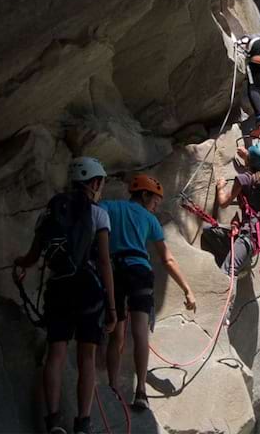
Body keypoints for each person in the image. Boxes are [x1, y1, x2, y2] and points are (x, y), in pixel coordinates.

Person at [14, 157, 116, 434]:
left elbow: (34, 256)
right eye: (101, 183)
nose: (101, 189)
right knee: (86, 358)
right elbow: (105, 262)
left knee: (56, 353)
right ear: (94, 183)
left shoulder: (51, 211)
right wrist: (112, 307)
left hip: (58, 288)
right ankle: (83, 422)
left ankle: (53, 421)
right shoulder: (98, 214)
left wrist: (19, 264)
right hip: (88, 289)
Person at [101, 174, 196, 411]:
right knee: (141, 332)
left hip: (115, 271)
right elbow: (167, 259)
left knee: (117, 334)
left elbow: (91, 211)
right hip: (140, 272)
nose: (156, 207)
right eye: (155, 201)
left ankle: (112, 387)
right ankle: (141, 391)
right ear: (144, 195)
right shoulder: (150, 220)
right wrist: (187, 289)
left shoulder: (110, 207)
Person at [201, 142, 260, 319]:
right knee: (209, 231)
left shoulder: (243, 179)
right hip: (257, 235)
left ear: (250, 159)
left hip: (248, 237)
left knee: (228, 270)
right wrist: (248, 159)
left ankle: (222, 314)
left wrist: (220, 187)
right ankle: (239, 260)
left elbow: (224, 202)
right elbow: (256, 173)